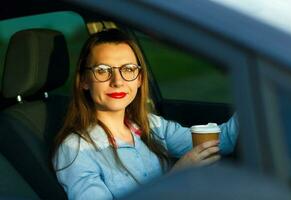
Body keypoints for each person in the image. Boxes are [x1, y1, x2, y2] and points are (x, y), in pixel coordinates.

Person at [52, 29, 239, 200]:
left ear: (140, 78)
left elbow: (223, 141)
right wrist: (176, 177)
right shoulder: (76, 150)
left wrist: (258, 89)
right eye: (102, 71)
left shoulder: (151, 125)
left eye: (128, 69)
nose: (117, 81)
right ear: (84, 80)